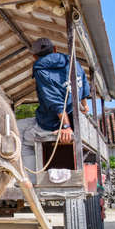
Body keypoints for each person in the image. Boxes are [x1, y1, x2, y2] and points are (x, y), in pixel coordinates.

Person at [21, 37, 90, 176]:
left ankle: (31, 178)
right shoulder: (73, 62)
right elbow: (85, 88)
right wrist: (85, 107)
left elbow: (55, 103)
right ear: (54, 49)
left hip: (51, 124)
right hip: (70, 119)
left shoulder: (41, 71)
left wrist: (66, 127)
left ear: (34, 57)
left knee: (18, 133)